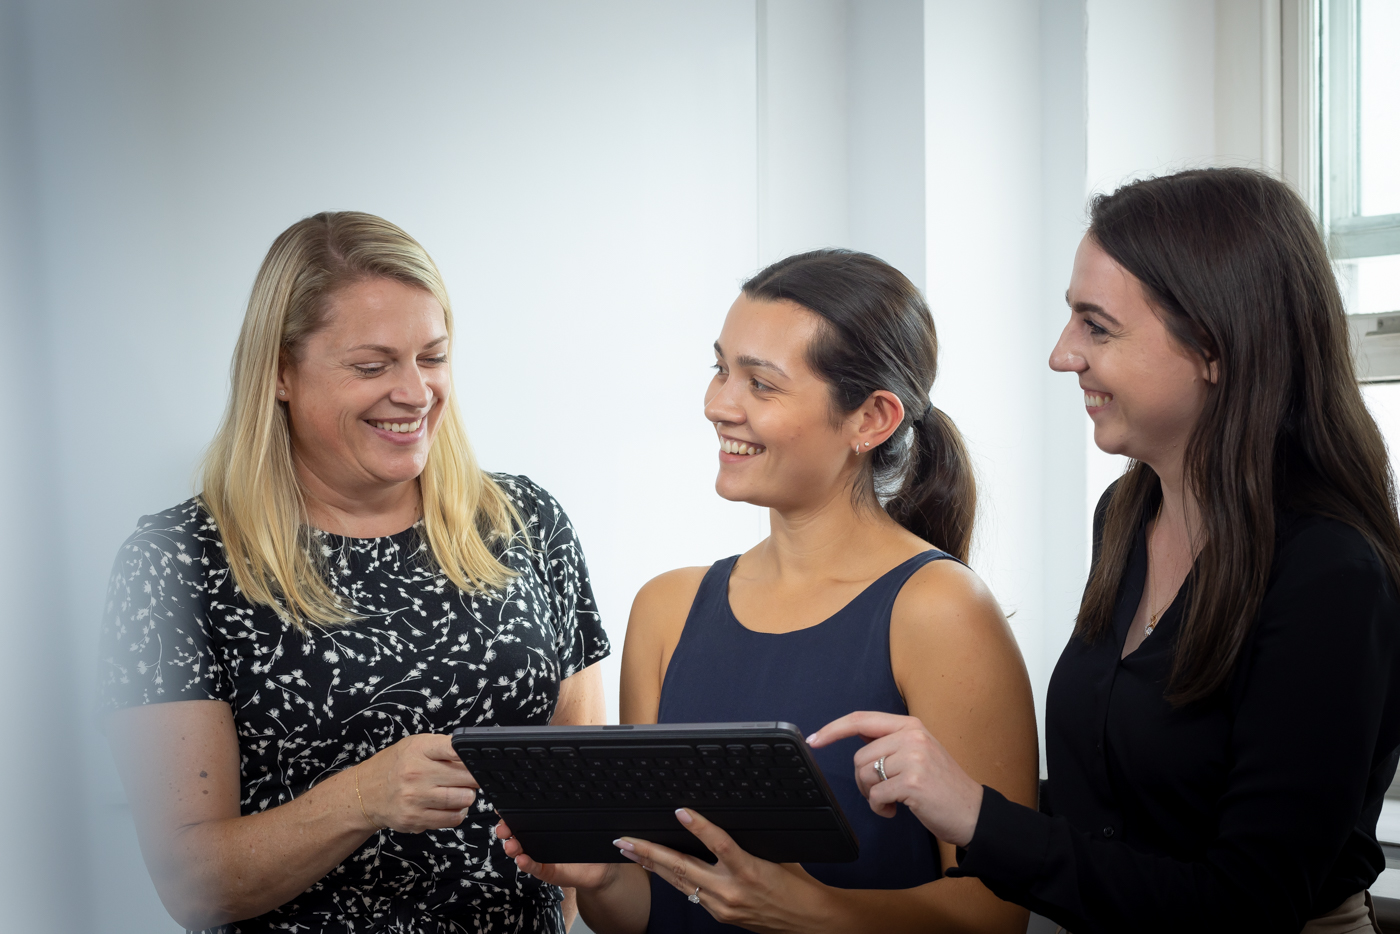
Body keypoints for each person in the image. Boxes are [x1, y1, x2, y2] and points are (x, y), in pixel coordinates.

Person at [814, 168, 1400, 933]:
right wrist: (938, 792)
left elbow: (1245, 903)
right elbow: (1126, 811)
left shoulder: (1331, 575)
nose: (1063, 355)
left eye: (1097, 326)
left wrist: (981, 818)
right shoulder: (1127, 515)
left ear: (1214, 346)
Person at [500, 250, 1040, 933]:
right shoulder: (665, 608)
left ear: (871, 419)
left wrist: (809, 913)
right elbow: (651, 911)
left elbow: (997, 917)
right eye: (721, 368)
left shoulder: (940, 610)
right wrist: (603, 875)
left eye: (761, 384)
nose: (717, 404)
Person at [99, 212, 610, 933]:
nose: (414, 393)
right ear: (280, 371)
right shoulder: (178, 563)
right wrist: (359, 799)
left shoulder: (525, 522)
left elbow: (579, 814)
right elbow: (192, 884)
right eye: (371, 366)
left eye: (432, 357)